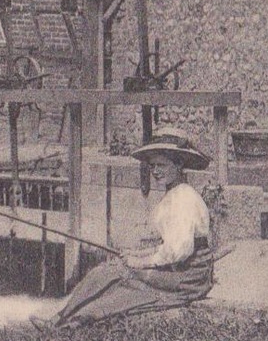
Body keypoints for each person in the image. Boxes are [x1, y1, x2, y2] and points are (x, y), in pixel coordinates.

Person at [34, 128, 215, 329]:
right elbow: (169, 245)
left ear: (179, 164)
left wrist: (140, 262)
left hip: (188, 277)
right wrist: (138, 253)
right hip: (180, 268)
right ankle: (63, 318)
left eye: (161, 165)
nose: (155, 171)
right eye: (152, 165)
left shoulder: (183, 198)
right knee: (106, 272)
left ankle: (71, 320)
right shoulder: (175, 193)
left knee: (115, 274)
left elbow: (179, 251)